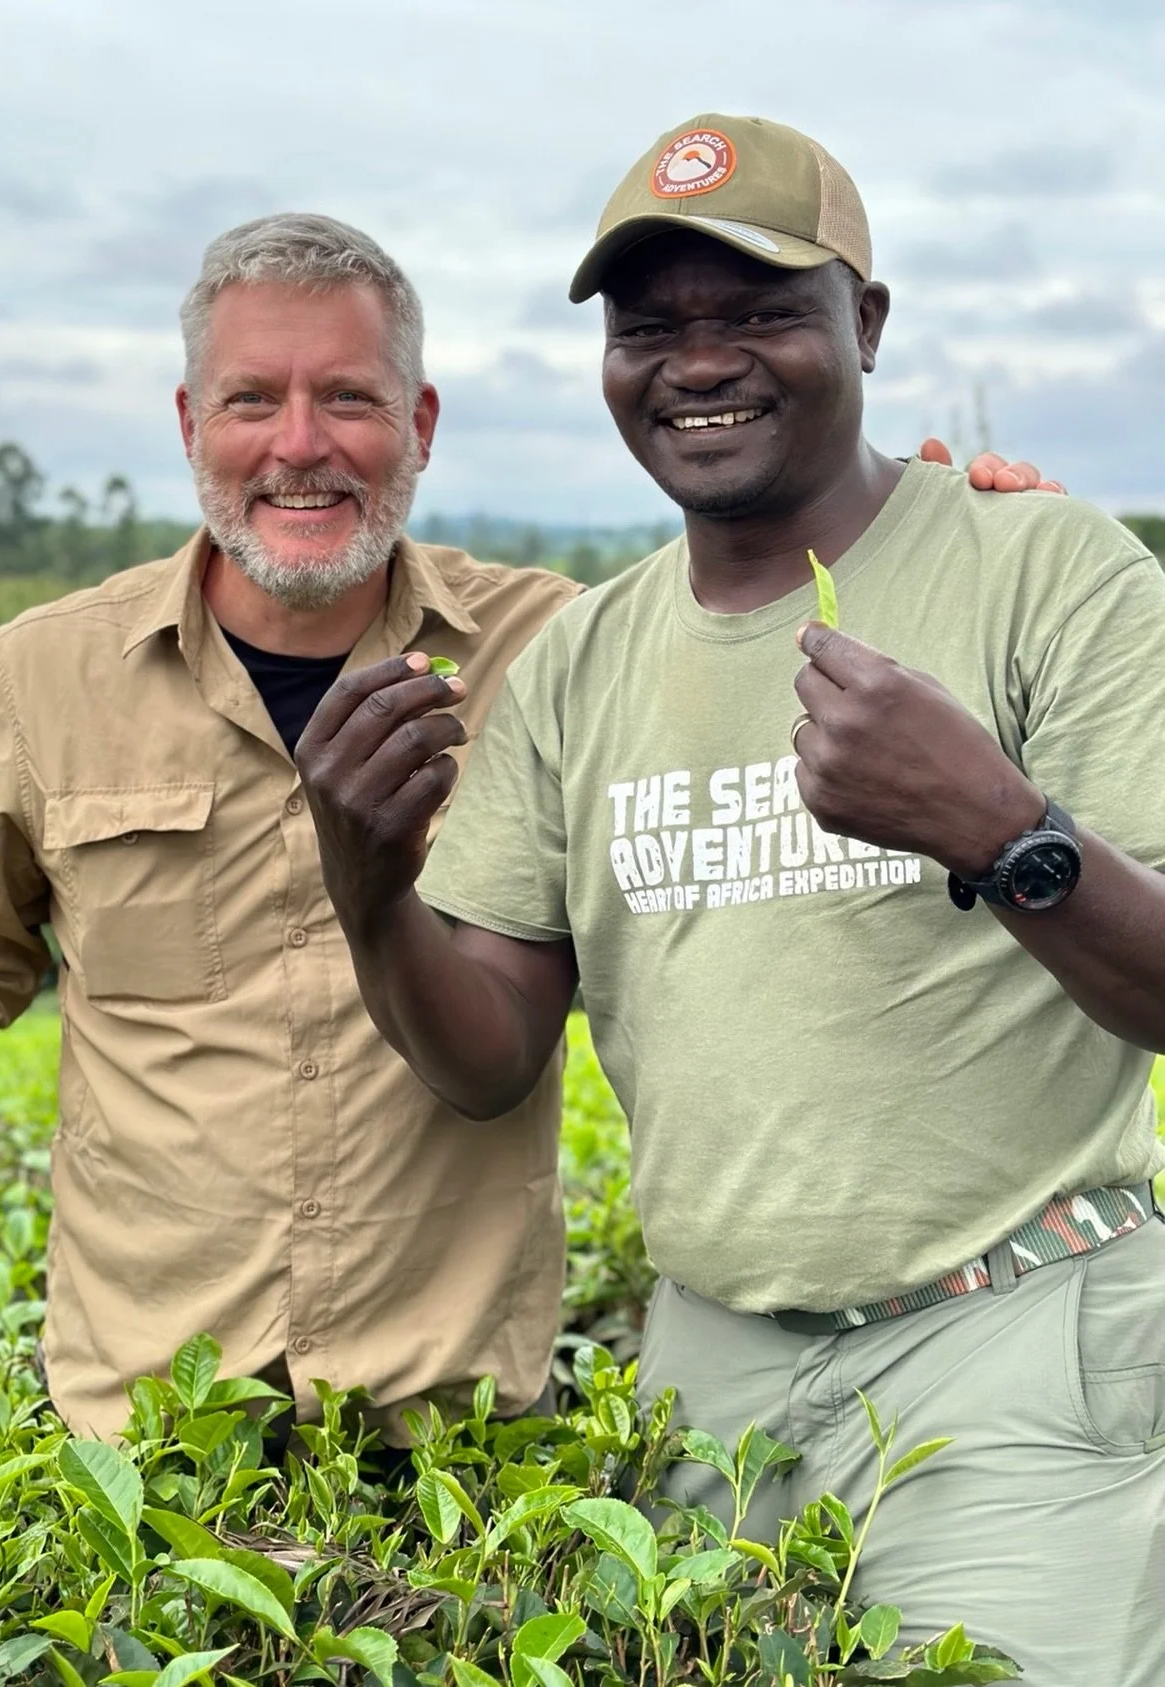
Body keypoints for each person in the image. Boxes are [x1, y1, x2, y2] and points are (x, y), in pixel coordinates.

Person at [0, 211, 1049, 1450]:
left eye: (349, 397)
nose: (300, 447)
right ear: (193, 425)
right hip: (144, 1442)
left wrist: (962, 538)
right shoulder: (42, 675)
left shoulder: (567, 653)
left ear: (421, 424)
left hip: (461, 1446)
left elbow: (789, 628)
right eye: (253, 401)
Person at [295, 116, 1165, 1683]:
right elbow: (488, 1051)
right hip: (707, 1382)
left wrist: (996, 825)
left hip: (1015, 1344)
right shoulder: (578, 659)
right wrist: (367, 890)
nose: (698, 363)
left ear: (868, 327)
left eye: (759, 310)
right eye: (650, 327)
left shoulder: (1054, 572)